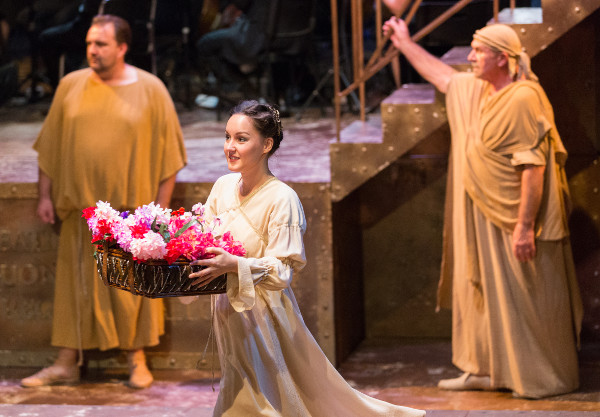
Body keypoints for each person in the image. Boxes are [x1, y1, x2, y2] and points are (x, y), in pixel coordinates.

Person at [383, 18, 583, 398]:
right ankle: (487, 368)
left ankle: (542, 376)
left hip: (515, 218)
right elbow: (443, 78)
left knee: (527, 295)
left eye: (478, 52)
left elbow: (533, 167)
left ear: (503, 59)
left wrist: (524, 226)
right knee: (481, 292)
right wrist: (405, 42)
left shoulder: (523, 97)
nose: (470, 58)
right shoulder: (481, 91)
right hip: (481, 213)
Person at [186, 100, 425, 416]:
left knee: (263, 399)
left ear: (266, 144)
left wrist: (236, 265)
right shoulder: (222, 187)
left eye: (241, 139)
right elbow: (205, 239)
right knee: (243, 392)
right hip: (228, 311)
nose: (230, 147)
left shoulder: (282, 199)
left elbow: (283, 271)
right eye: (228, 137)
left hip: (264, 316)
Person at [22, 14, 187, 389]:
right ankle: (66, 362)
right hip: (82, 210)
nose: (92, 51)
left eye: (101, 44)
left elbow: (169, 157)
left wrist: (158, 215)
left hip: (131, 216)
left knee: (131, 286)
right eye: (89, 44)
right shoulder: (70, 85)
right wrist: (45, 195)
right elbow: (50, 147)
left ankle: (137, 359)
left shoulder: (151, 89)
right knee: (75, 286)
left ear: (123, 47)